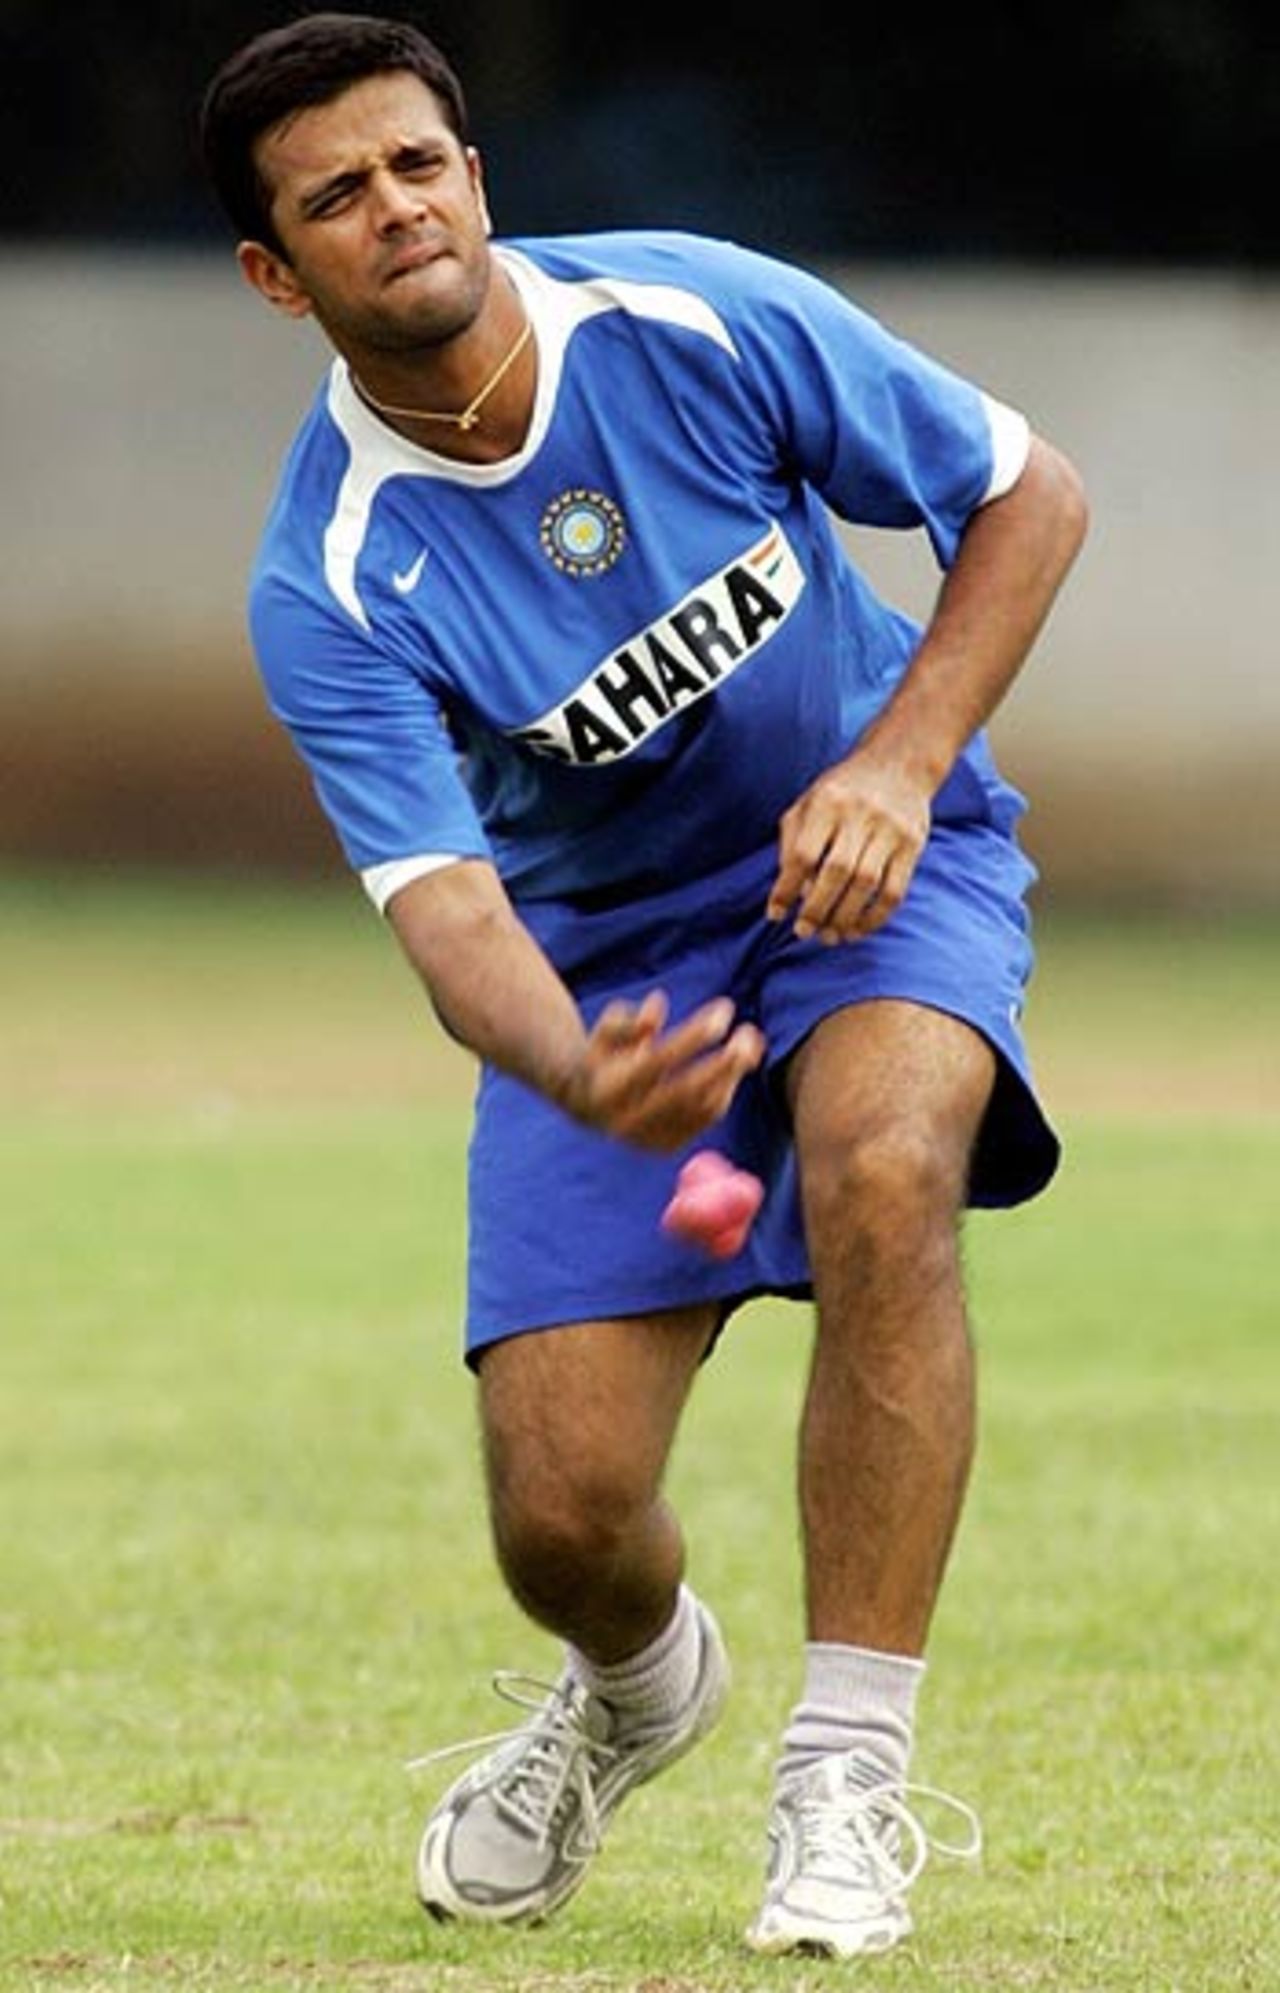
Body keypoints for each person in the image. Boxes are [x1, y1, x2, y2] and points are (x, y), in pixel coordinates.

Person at [200, 11, 1086, 1960]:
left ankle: (843, 1776)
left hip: (880, 859)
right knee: (564, 1520)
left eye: (416, 162)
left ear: (475, 171)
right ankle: (632, 1690)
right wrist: (575, 1065)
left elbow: (1028, 497)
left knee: (883, 1169)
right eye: (335, 196)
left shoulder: (691, 316)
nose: (395, 209)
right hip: (598, 972)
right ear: (279, 275)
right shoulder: (330, 576)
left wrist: (898, 760)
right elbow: (451, 925)